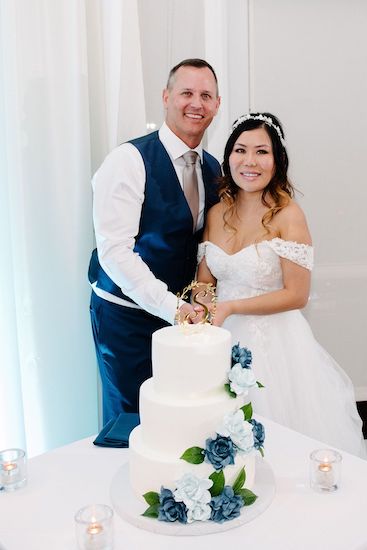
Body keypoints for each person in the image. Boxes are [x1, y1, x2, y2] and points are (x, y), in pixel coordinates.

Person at [196, 112, 366, 458]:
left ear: (277, 161)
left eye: (262, 152)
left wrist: (230, 307)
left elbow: (297, 294)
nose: (250, 161)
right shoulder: (216, 213)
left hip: (275, 345)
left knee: (278, 443)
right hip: (220, 339)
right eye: (241, 150)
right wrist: (201, 308)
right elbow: (205, 278)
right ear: (228, 158)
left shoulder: (288, 214)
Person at [88, 59, 221, 425]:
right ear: (166, 97)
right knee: (131, 423)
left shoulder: (213, 168)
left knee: (176, 423)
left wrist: (197, 306)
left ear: (217, 105)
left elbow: (204, 247)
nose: (197, 103)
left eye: (206, 95)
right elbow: (114, 252)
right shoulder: (128, 160)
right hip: (125, 321)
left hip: (182, 324)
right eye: (187, 93)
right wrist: (174, 309)